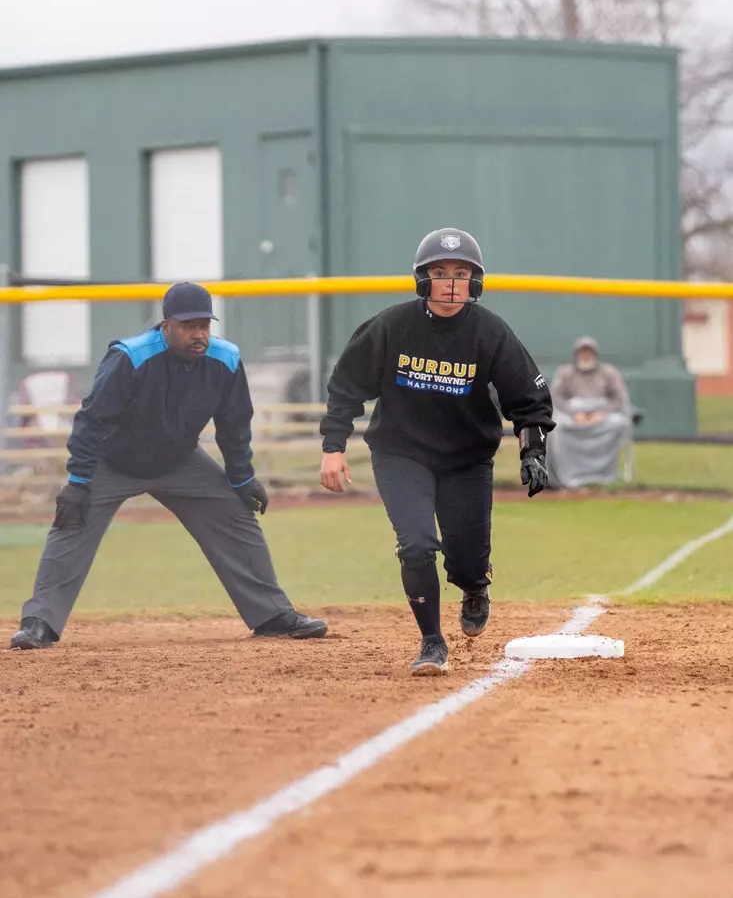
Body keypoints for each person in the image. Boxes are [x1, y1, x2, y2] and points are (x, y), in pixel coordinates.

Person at [10, 282, 327, 650]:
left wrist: (243, 480)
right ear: (166, 326)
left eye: (204, 325)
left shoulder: (225, 359)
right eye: (189, 326)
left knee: (236, 513)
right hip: (113, 461)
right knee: (71, 522)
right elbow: (92, 419)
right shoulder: (130, 357)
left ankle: (272, 615)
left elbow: (235, 425)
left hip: (180, 460)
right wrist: (78, 482)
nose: (198, 334)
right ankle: (39, 623)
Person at [319, 228, 554, 677]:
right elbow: (346, 387)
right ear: (422, 279)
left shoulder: (490, 332)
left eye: (461, 273)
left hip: (466, 458)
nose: (450, 282)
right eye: (440, 272)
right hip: (400, 452)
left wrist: (532, 450)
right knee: (417, 543)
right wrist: (333, 447)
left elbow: (527, 397)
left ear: (475, 281)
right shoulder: (391, 326)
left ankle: (474, 587)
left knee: (466, 561)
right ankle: (431, 641)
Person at [547, 336, 633, 490]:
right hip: (573, 417)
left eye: (589, 352)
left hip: (601, 417)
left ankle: (603, 474)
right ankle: (566, 476)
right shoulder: (565, 373)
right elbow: (555, 397)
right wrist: (574, 413)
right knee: (557, 428)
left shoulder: (609, 373)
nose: (586, 356)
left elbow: (620, 399)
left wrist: (602, 414)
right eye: (582, 352)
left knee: (618, 423)